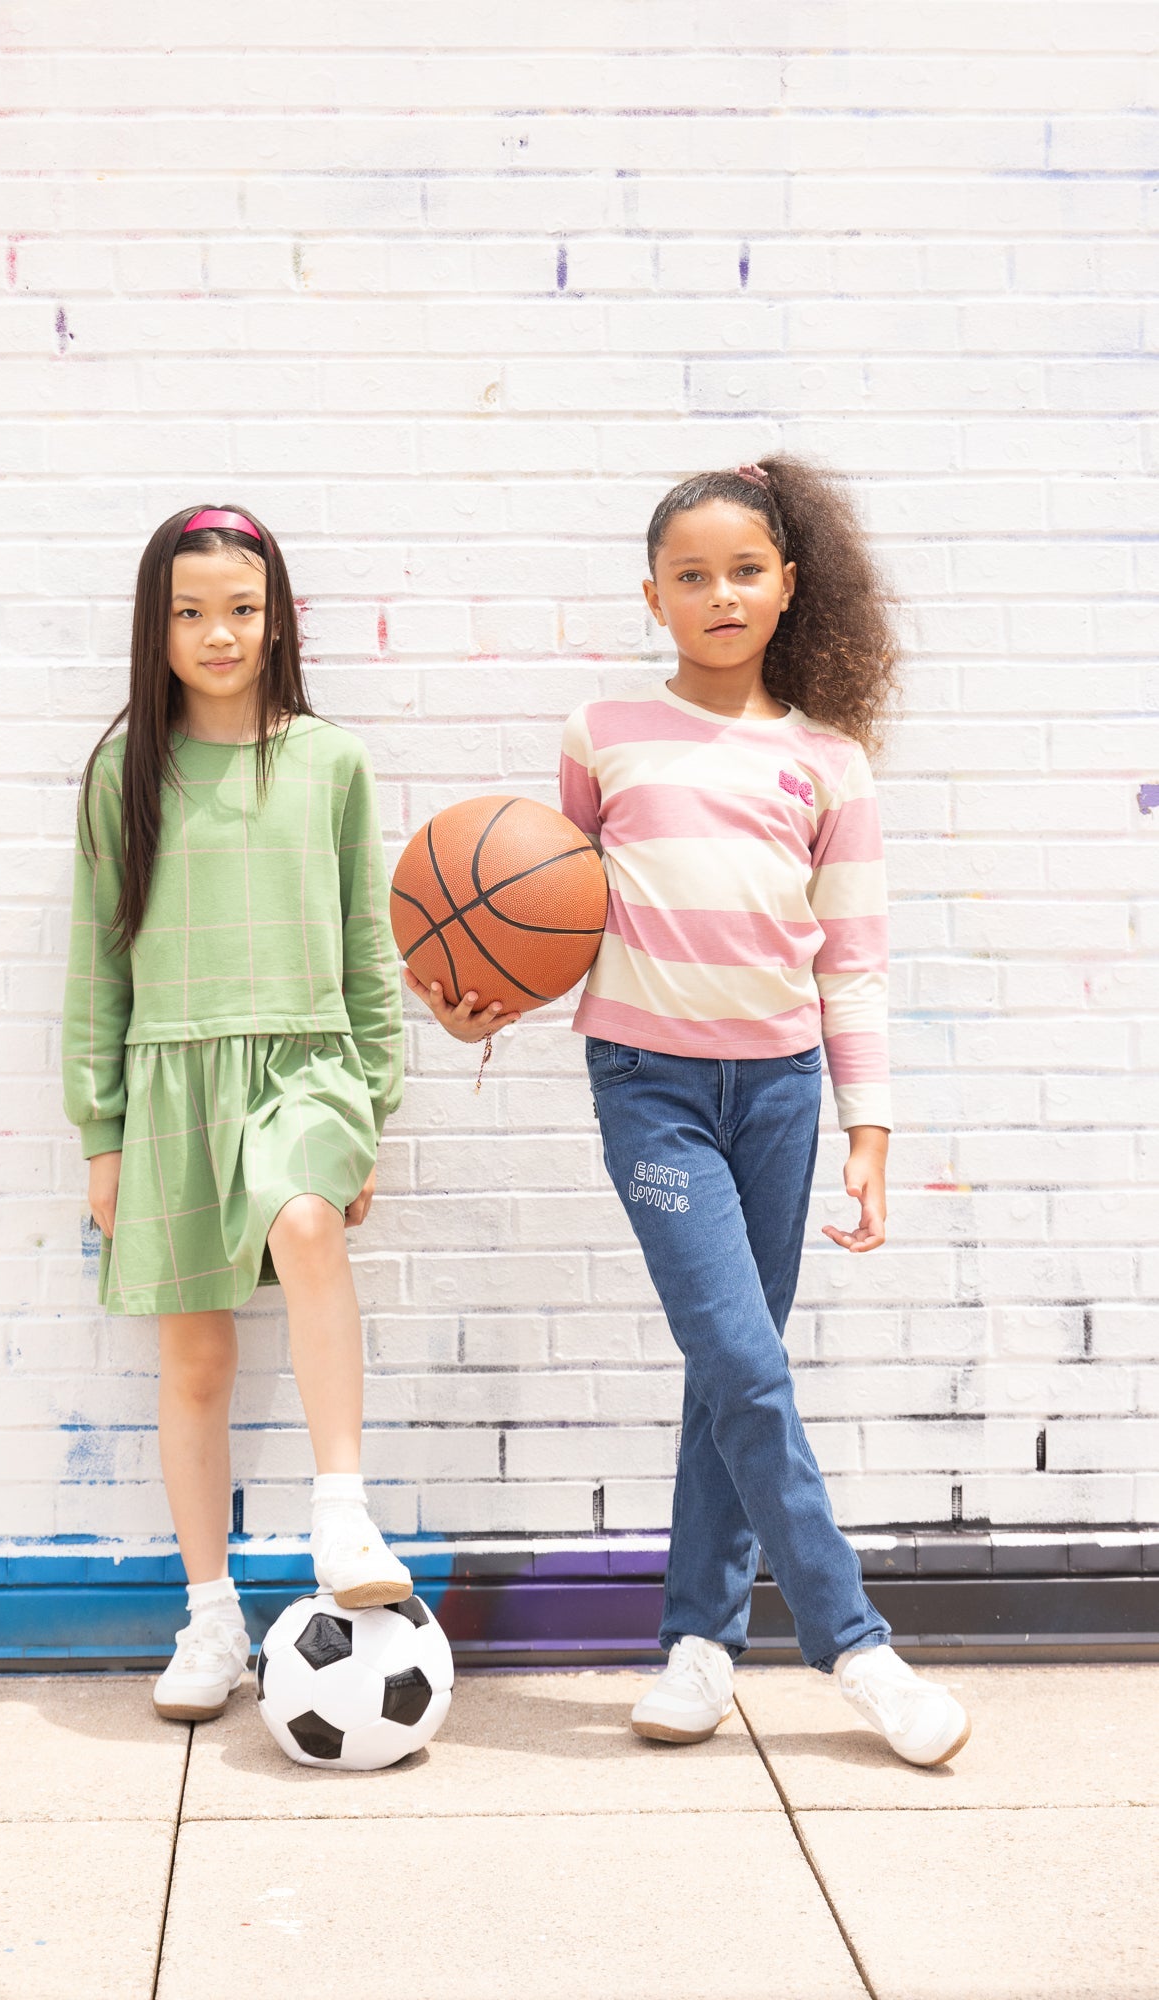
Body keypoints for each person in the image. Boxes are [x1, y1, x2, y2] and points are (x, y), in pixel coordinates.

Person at [410, 459, 970, 1768]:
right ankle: (854, 1645)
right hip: (647, 1088)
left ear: (786, 587)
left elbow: (852, 961)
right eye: (690, 573)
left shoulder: (828, 764)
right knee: (745, 1363)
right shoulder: (602, 734)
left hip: (778, 1092)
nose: (718, 593)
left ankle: (700, 1642)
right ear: (651, 593)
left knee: (731, 1371)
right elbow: (546, 919)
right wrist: (472, 1007)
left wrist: (868, 1127)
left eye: (744, 570)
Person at [64, 504, 409, 1723]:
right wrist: (101, 1129)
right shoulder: (125, 770)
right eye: (191, 612)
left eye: (243, 610)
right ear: (156, 626)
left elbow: (370, 941)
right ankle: (211, 1616)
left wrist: (372, 1090)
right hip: (169, 1081)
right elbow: (96, 964)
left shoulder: (330, 761)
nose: (220, 633)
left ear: (279, 619)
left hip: (306, 1064)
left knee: (308, 1223)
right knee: (196, 1355)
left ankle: (339, 1508)